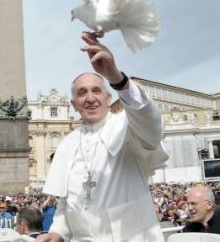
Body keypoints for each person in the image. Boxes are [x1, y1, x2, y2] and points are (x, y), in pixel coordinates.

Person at [37, 32, 168, 242]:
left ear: (108, 98)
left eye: (96, 91)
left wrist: (117, 78)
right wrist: (57, 232)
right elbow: (67, 204)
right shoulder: (68, 143)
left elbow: (151, 125)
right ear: (74, 104)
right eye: (82, 93)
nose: (90, 98)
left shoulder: (128, 125)